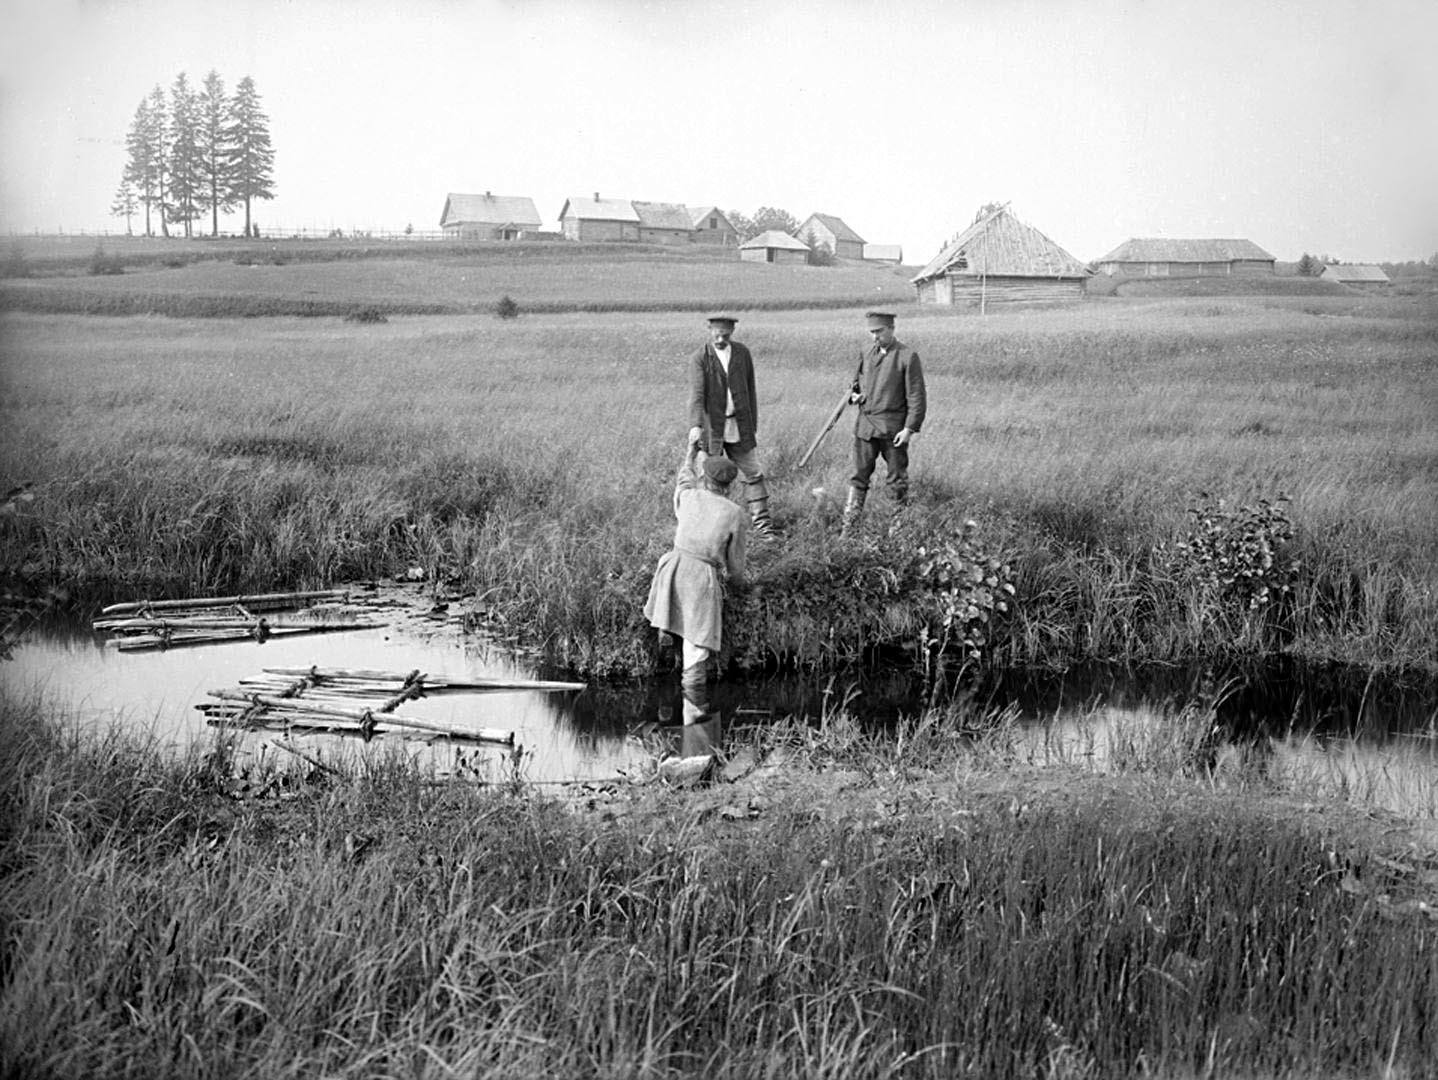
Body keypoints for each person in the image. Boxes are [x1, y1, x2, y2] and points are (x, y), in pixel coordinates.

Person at [644, 432, 749, 690]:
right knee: (696, 652)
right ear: (731, 486)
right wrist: (738, 588)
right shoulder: (735, 514)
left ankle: (666, 631)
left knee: (669, 609)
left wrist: (691, 451)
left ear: (705, 479)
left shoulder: (689, 497)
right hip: (702, 580)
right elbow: (736, 565)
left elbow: (683, 479)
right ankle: (694, 710)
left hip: (673, 568)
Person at [688, 314, 774, 535]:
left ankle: (764, 527)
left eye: (725, 335)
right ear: (709, 331)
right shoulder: (700, 358)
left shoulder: (742, 353)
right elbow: (697, 395)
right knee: (708, 478)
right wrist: (696, 425)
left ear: (732, 333)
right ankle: (710, 529)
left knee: (753, 473)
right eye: (717, 334)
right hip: (711, 429)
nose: (720, 338)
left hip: (739, 425)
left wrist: (751, 422)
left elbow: (750, 388)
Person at [842, 310, 927, 533]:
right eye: (871, 332)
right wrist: (854, 396)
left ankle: (896, 532)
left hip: (893, 430)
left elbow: (916, 396)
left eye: (879, 331)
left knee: (897, 481)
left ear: (891, 329)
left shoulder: (907, 356)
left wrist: (909, 429)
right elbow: (854, 384)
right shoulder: (865, 352)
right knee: (858, 478)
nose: (874, 337)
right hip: (865, 428)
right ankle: (848, 529)